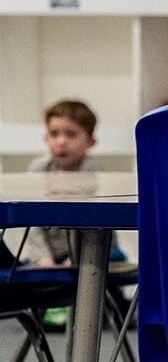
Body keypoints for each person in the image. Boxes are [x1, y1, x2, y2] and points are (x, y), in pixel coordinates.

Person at [17, 99, 100, 267]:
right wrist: (43, 259)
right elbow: (32, 222)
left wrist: (77, 258)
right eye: (54, 134)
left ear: (91, 141)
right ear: (46, 138)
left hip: (92, 252)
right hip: (46, 255)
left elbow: (94, 225)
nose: (61, 142)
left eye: (71, 134)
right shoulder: (39, 169)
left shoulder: (94, 175)